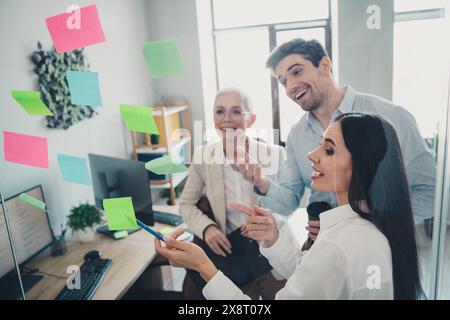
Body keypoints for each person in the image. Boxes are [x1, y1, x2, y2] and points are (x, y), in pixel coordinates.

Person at [156, 113, 422, 300]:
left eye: (328, 150)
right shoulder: (367, 227)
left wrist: (204, 267)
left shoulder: (340, 244)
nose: (311, 155)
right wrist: (273, 238)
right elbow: (312, 275)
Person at [231, 38, 435, 241]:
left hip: (379, 250)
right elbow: (288, 202)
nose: (290, 86)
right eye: (283, 81)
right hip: (322, 248)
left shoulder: (391, 116)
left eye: (297, 71)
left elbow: (430, 193)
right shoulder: (297, 135)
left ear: (324, 65)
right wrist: (262, 182)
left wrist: (362, 224)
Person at [179, 87, 287, 299]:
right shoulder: (203, 155)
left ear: (252, 119)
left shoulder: (275, 154)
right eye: (219, 112)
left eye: (236, 111)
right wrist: (207, 228)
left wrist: (266, 220)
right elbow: (186, 204)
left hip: (269, 251)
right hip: (229, 250)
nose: (226, 119)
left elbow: (289, 206)